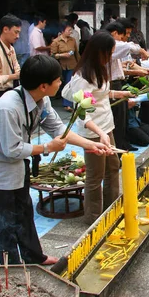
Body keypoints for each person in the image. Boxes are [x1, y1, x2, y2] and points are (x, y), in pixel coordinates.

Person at [0, 55, 111, 265]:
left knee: (25, 213)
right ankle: (11, 269)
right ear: (43, 85)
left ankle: (34, 256)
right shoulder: (7, 108)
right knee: (4, 224)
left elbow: (58, 129)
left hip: (18, 169)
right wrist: (47, 147)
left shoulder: (42, 99)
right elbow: (11, 150)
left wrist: (91, 145)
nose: (61, 83)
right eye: (58, 80)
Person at [61, 31, 134, 224]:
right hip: (93, 133)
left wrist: (119, 94)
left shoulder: (99, 68)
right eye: (109, 52)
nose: (111, 56)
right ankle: (93, 218)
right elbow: (83, 113)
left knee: (113, 167)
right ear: (98, 52)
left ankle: (112, 208)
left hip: (106, 126)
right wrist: (101, 134)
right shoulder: (83, 76)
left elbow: (101, 93)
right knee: (95, 176)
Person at [105, 21, 148, 151]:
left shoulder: (113, 46)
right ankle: (118, 148)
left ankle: (123, 144)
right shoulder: (108, 44)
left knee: (122, 118)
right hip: (111, 84)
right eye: (124, 35)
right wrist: (142, 51)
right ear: (114, 33)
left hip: (116, 84)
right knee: (117, 119)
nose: (125, 38)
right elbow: (129, 46)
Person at [51, 22, 80, 111]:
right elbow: (53, 55)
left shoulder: (72, 40)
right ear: (63, 31)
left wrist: (80, 64)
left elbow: (76, 53)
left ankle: (67, 104)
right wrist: (63, 55)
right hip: (61, 66)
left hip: (72, 65)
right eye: (69, 30)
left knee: (69, 83)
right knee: (61, 83)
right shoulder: (56, 42)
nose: (70, 32)